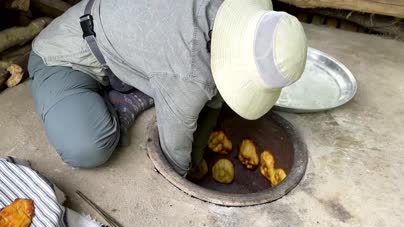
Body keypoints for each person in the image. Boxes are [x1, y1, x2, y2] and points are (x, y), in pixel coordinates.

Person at [28, 0, 307, 176]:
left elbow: (214, 100)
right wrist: (188, 175)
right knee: (88, 148)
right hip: (68, 55)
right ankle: (117, 101)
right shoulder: (189, 68)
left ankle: (133, 90)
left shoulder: (227, 17)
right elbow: (174, 153)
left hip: (118, 45)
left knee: (184, 98)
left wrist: (199, 155)